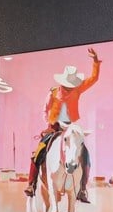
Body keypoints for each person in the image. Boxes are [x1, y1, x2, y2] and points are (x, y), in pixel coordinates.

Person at [24, 48, 100, 202]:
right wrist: (49, 123)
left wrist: (95, 62)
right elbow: (45, 110)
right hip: (54, 127)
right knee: (38, 152)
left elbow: (93, 79)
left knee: (85, 154)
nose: (70, 87)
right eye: (68, 84)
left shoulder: (77, 90)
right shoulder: (52, 93)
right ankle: (31, 184)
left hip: (71, 127)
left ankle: (83, 189)